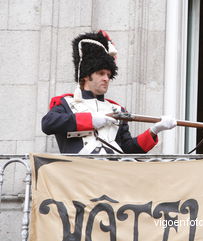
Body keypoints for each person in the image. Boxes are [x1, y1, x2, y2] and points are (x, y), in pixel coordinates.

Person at [42, 30, 176, 154]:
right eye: (101, 73)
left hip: (112, 174)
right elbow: (48, 124)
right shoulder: (66, 103)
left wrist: (154, 130)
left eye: (108, 74)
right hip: (79, 175)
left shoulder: (117, 109)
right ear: (86, 75)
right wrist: (91, 120)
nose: (106, 79)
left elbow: (127, 150)